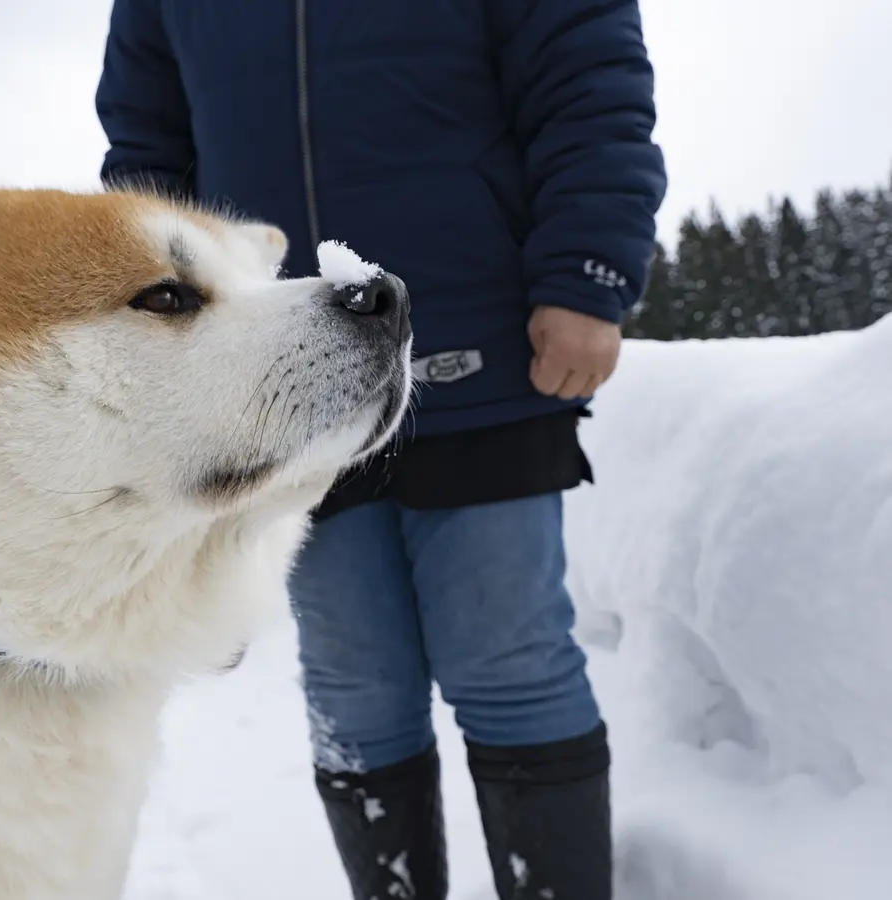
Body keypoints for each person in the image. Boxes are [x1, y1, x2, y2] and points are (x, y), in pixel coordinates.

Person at [95, 2, 667, 897]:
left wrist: (587, 271)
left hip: (482, 342)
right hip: (279, 373)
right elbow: (147, 158)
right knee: (353, 684)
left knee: (508, 662)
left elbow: (584, 76)